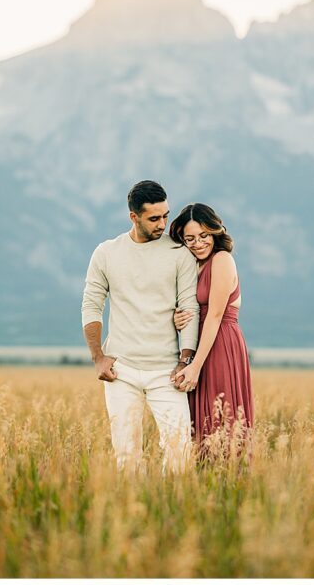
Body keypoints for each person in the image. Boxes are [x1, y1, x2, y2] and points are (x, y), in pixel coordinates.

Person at [80, 180, 199, 473]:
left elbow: (190, 307)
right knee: (126, 456)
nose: (163, 224)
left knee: (179, 452)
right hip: (122, 370)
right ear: (134, 217)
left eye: (165, 215)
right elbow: (91, 305)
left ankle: (170, 513)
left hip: (167, 371)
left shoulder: (179, 253)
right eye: (154, 218)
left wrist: (185, 360)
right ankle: (131, 514)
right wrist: (98, 357)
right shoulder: (106, 253)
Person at [169, 203, 254, 459]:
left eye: (204, 235)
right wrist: (176, 316)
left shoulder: (222, 259)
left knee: (221, 414)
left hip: (220, 343)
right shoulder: (191, 265)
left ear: (215, 232)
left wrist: (195, 366)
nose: (198, 243)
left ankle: (229, 478)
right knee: (199, 421)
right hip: (201, 342)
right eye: (190, 238)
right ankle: (205, 482)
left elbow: (215, 314)